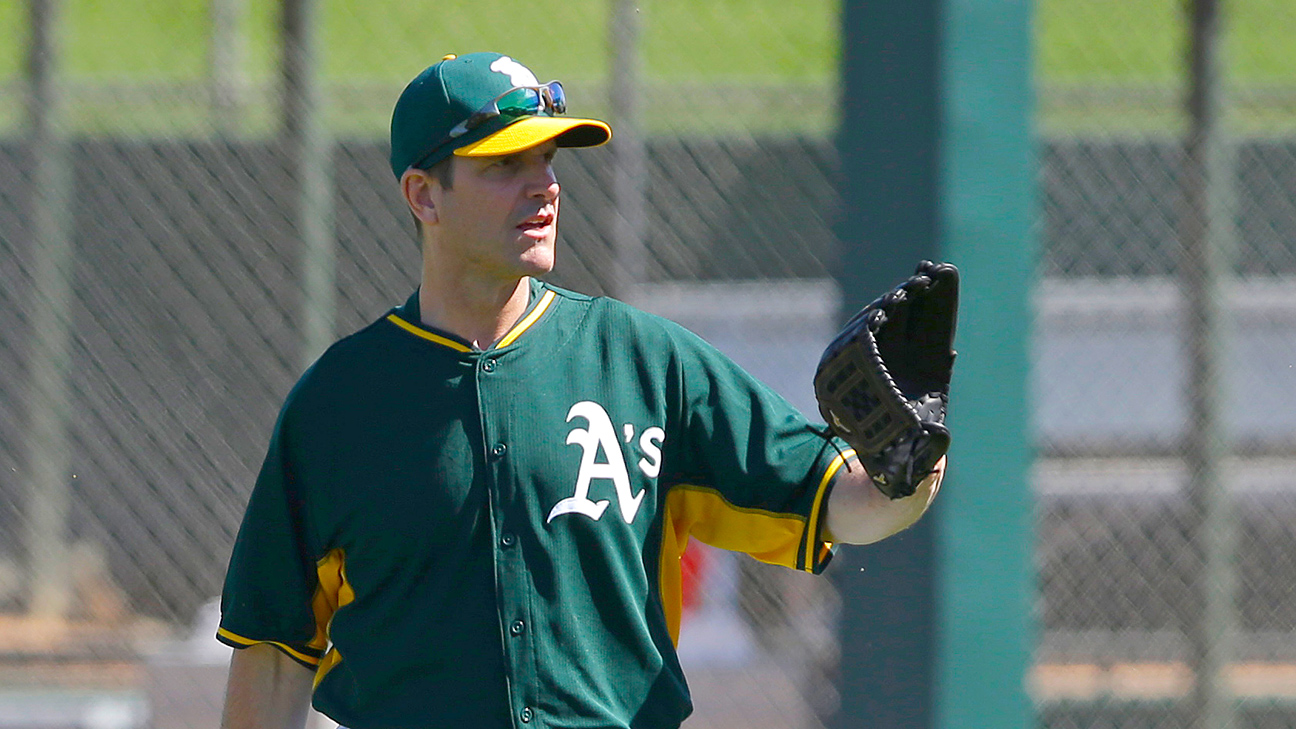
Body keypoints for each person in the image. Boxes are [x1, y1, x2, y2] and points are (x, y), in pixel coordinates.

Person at [218, 52, 944, 729]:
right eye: (504, 162)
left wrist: (913, 457)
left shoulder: (645, 363)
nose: (543, 184)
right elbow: (273, 653)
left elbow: (849, 504)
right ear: (423, 196)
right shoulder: (339, 404)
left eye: (546, 158)